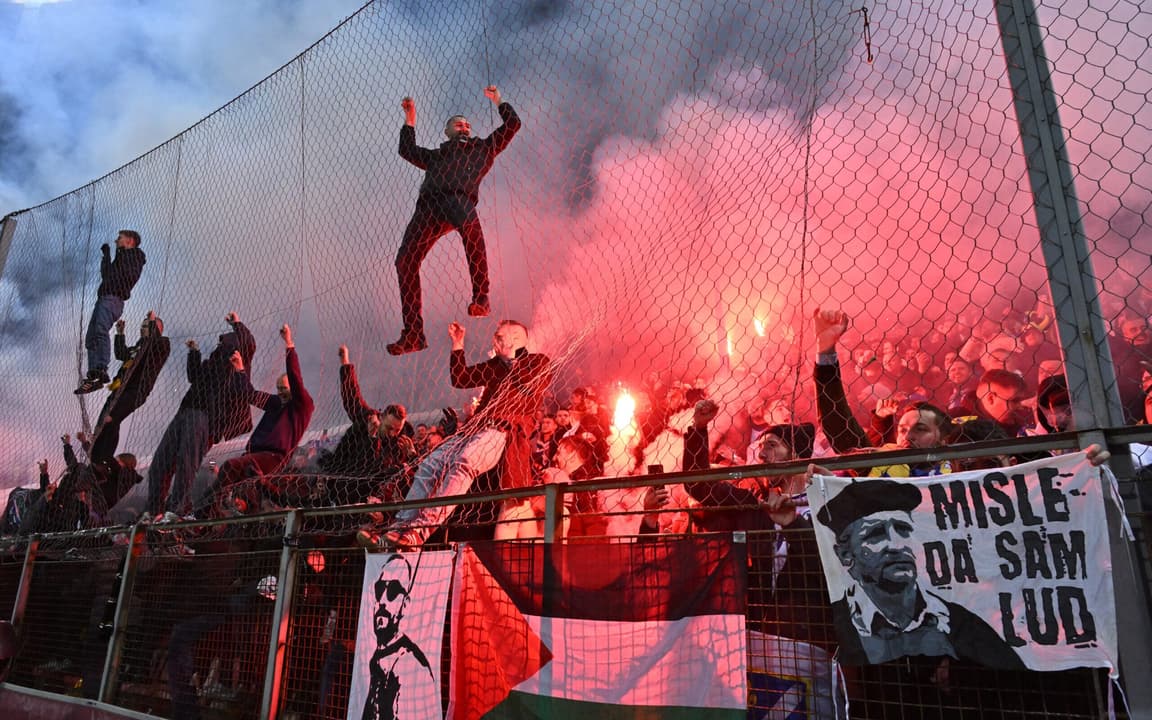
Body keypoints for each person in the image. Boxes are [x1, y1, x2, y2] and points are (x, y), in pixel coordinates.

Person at [361, 320, 552, 548]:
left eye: (500, 337)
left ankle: (419, 532)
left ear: (516, 339)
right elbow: (460, 378)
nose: (494, 341)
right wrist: (458, 344)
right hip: (472, 430)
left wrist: (511, 356)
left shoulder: (537, 362)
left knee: (464, 462)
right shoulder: (495, 366)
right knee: (430, 465)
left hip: (500, 431)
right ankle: (399, 529)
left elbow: (528, 384)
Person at [816, 479, 1025, 669]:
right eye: (876, 534)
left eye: (903, 529)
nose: (897, 545)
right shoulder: (837, 618)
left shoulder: (960, 620)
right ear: (845, 554)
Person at [387, 86, 522, 355]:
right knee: (405, 261)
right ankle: (414, 334)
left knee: (472, 231)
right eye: (456, 123)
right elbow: (406, 149)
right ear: (447, 132)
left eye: (467, 123)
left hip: (460, 200)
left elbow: (513, 124)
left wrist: (498, 100)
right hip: (429, 207)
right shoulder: (436, 156)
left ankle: (481, 297)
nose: (463, 125)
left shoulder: (483, 148)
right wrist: (410, 118)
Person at [145, 313, 264, 521]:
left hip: (205, 417)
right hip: (185, 410)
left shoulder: (233, 363)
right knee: (160, 463)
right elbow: (194, 377)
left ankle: (177, 510)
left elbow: (249, 341)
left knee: (186, 462)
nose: (219, 342)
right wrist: (195, 353)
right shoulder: (212, 363)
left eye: (223, 340)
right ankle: (154, 511)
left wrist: (236, 323)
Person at [205, 324, 315, 516]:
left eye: (284, 388)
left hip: (273, 458)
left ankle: (209, 511)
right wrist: (240, 368)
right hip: (255, 456)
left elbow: (295, 378)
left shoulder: (302, 405)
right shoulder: (275, 402)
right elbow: (250, 394)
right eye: (278, 388)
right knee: (233, 480)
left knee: (231, 467)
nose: (280, 391)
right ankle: (202, 514)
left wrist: (289, 344)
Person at [316, 345, 416, 504]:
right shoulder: (369, 419)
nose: (392, 433)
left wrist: (412, 455)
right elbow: (353, 399)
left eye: (397, 430)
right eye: (389, 428)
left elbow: (379, 468)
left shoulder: (402, 444)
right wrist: (345, 363)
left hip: (372, 498)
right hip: (346, 486)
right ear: (381, 417)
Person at [88, 311, 171, 468]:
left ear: (157, 328)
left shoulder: (162, 344)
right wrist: (120, 334)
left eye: (146, 326)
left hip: (136, 390)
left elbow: (154, 341)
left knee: (111, 418)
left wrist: (152, 321)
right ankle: (95, 459)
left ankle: (104, 460)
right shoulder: (139, 346)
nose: (142, 329)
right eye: (142, 326)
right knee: (104, 421)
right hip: (120, 389)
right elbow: (122, 354)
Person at [360, 554, 437, 720]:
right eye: (380, 589)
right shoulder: (380, 656)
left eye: (393, 591)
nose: (383, 601)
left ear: (405, 604)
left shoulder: (408, 664)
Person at [76, 230, 146, 393]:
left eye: (119, 238)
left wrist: (116, 275)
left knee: (100, 329)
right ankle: (94, 375)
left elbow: (127, 276)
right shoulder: (122, 257)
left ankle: (101, 368)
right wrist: (106, 256)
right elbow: (107, 274)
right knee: (91, 336)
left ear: (130, 241)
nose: (116, 241)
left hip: (113, 298)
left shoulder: (135, 256)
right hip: (105, 297)